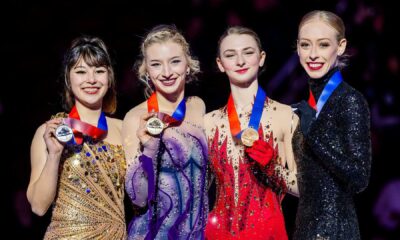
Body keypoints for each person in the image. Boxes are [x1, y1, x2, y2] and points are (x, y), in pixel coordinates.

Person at [26, 36, 127, 239]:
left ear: (109, 77)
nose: (91, 79)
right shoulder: (51, 131)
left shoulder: (125, 129)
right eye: (81, 72)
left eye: (99, 71)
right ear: (68, 78)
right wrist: (55, 155)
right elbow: (38, 207)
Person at [204, 26, 299, 240]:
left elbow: (304, 188)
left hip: (268, 232)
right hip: (220, 233)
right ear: (220, 64)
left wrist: (273, 168)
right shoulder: (208, 123)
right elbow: (199, 189)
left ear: (261, 57)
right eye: (230, 55)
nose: (240, 61)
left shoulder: (285, 116)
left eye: (248, 52)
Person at [122, 24, 208, 239]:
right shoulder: (136, 118)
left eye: (175, 61)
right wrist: (149, 150)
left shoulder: (198, 106)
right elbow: (138, 198)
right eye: (156, 65)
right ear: (146, 71)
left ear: (188, 65)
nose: (167, 72)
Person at [292, 10, 372, 239]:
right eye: (306, 45)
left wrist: (313, 134)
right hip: (304, 229)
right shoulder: (306, 105)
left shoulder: (350, 100)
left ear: (341, 46)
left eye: (323, 45)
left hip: (336, 231)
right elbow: (307, 181)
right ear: (297, 47)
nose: (313, 54)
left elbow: (359, 178)